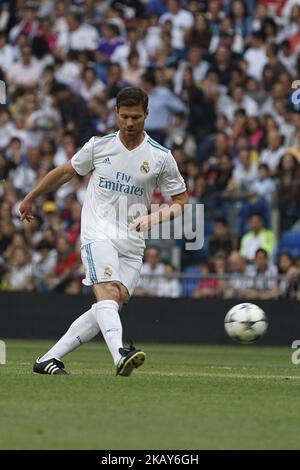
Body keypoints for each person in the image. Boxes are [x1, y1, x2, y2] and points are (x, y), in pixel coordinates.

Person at [19, 86, 188, 377]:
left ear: (147, 114)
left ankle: (48, 359)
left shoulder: (161, 157)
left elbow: (181, 202)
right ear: (116, 115)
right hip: (98, 232)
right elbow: (64, 173)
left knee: (113, 300)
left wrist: (156, 218)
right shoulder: (99, 146)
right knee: (108, 292)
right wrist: (31, 196)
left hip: (133, 240)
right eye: (125, 117)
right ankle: (120, 354)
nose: (131, 123)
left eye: (136, 117)